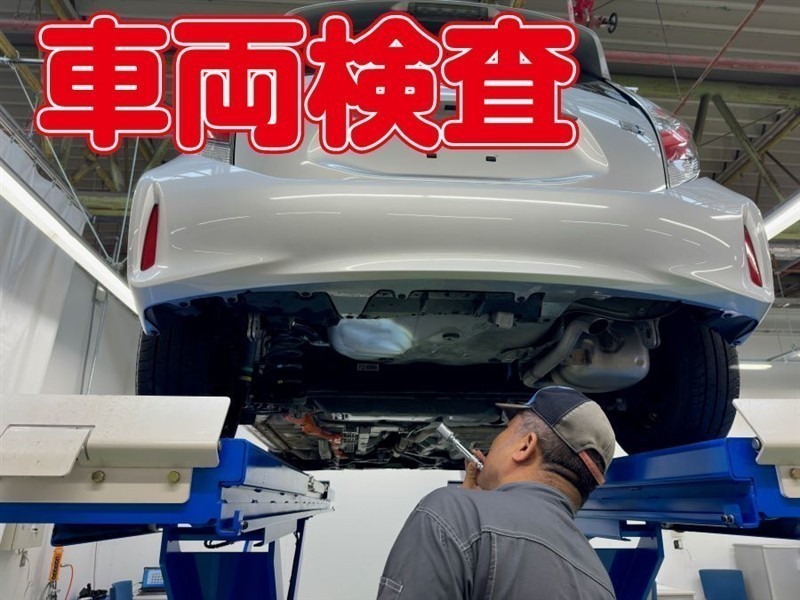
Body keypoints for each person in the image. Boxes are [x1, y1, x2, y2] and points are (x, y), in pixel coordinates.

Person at [377, 386, 617, 600]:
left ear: (525, 446)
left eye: (507, 429)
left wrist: (466, 511)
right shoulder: (601, 583)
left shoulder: (451, 514)